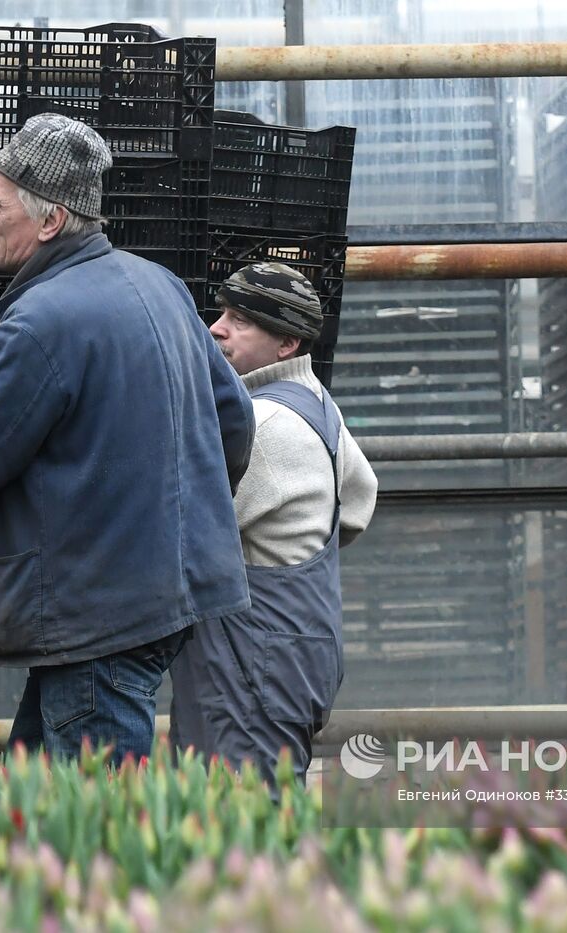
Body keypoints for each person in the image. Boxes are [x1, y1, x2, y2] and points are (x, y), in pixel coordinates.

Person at [0, 113, 255, 766]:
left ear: (49, 220)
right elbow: (234, 425)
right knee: (36, 788)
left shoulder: (42, 323)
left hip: (98, 615)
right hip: (165, 597)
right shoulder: (161, 286)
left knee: (98, 830)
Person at [169, 262, 378, 788]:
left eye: (239, 320)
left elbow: (184, 527)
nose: (216, 328)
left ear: (286, 343)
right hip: (296, 650)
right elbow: (357, 503)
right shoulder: (319, 406)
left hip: (249, 663)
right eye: (222, 313)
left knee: (240, 823)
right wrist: (288, 539)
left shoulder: (264, 423)